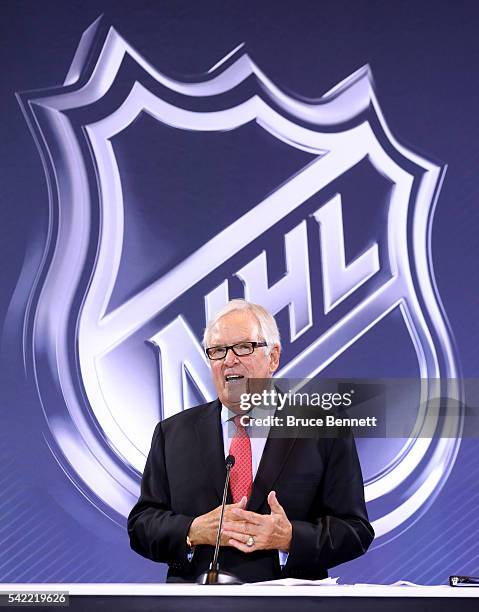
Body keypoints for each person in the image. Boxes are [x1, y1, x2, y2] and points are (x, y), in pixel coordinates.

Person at [128, 299, 374, 582]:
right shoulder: (172, 433)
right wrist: (193, 530)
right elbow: (141, 525)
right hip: (196, 604)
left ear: (273, 357)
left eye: (244, 347)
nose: (229, 360)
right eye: (218, 351)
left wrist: (290, 537)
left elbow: (355, 530)